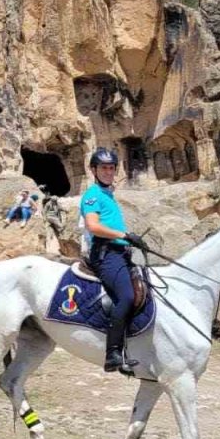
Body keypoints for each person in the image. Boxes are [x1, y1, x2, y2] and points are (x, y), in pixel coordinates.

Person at [80, 147, 149, 375]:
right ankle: (113, 353)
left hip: (119, 253)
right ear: (94, 170)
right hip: (105, 255)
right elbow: (93, 226)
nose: (108, 172)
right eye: (104, 168)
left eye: (111, 168)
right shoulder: (92, 196)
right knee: (127, 297)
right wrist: (124, 235)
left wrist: (130, 241)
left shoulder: (109, 195)